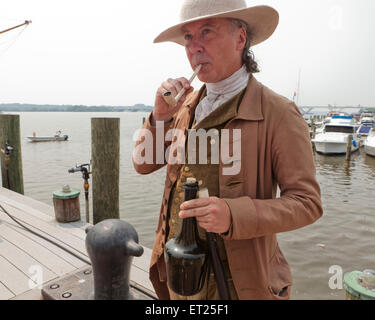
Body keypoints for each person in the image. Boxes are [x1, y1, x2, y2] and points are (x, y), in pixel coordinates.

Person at [133, 0, 323, 300]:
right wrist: (159, 116)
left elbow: (307, 203)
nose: (194, 47)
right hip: (178, 272)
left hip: (238, 284)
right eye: (188, 37)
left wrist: (233, 214)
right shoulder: (185, 106)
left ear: (240, 38)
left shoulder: (278, 112)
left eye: (206, 32)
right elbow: (143, 164)